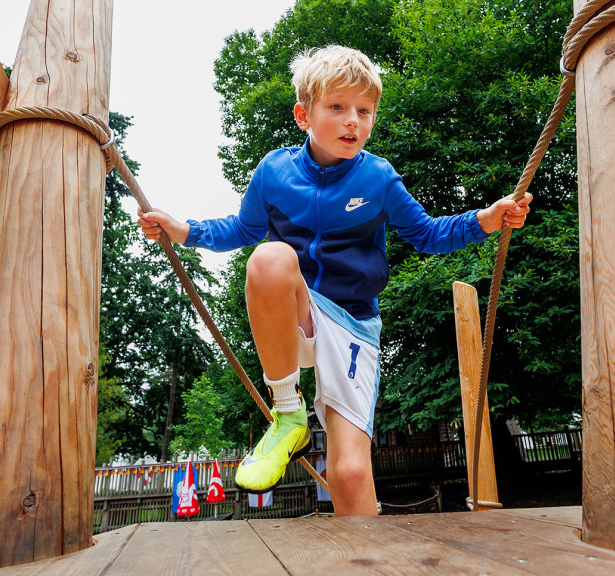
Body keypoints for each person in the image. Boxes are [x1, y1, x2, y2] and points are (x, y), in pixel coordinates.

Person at [136, 45, 532, 516]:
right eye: (338, 108)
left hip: (352, 323)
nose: (353, 122)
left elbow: (426, 234)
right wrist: (185, 231)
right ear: (304, 115)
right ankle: (288, 413)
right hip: (299, 315)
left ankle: (366, 557)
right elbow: (242, 230)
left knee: (347, 473)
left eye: (364, 111)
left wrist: (485, 219)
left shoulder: (378, 178)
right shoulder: (274, 172)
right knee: (268, 258)